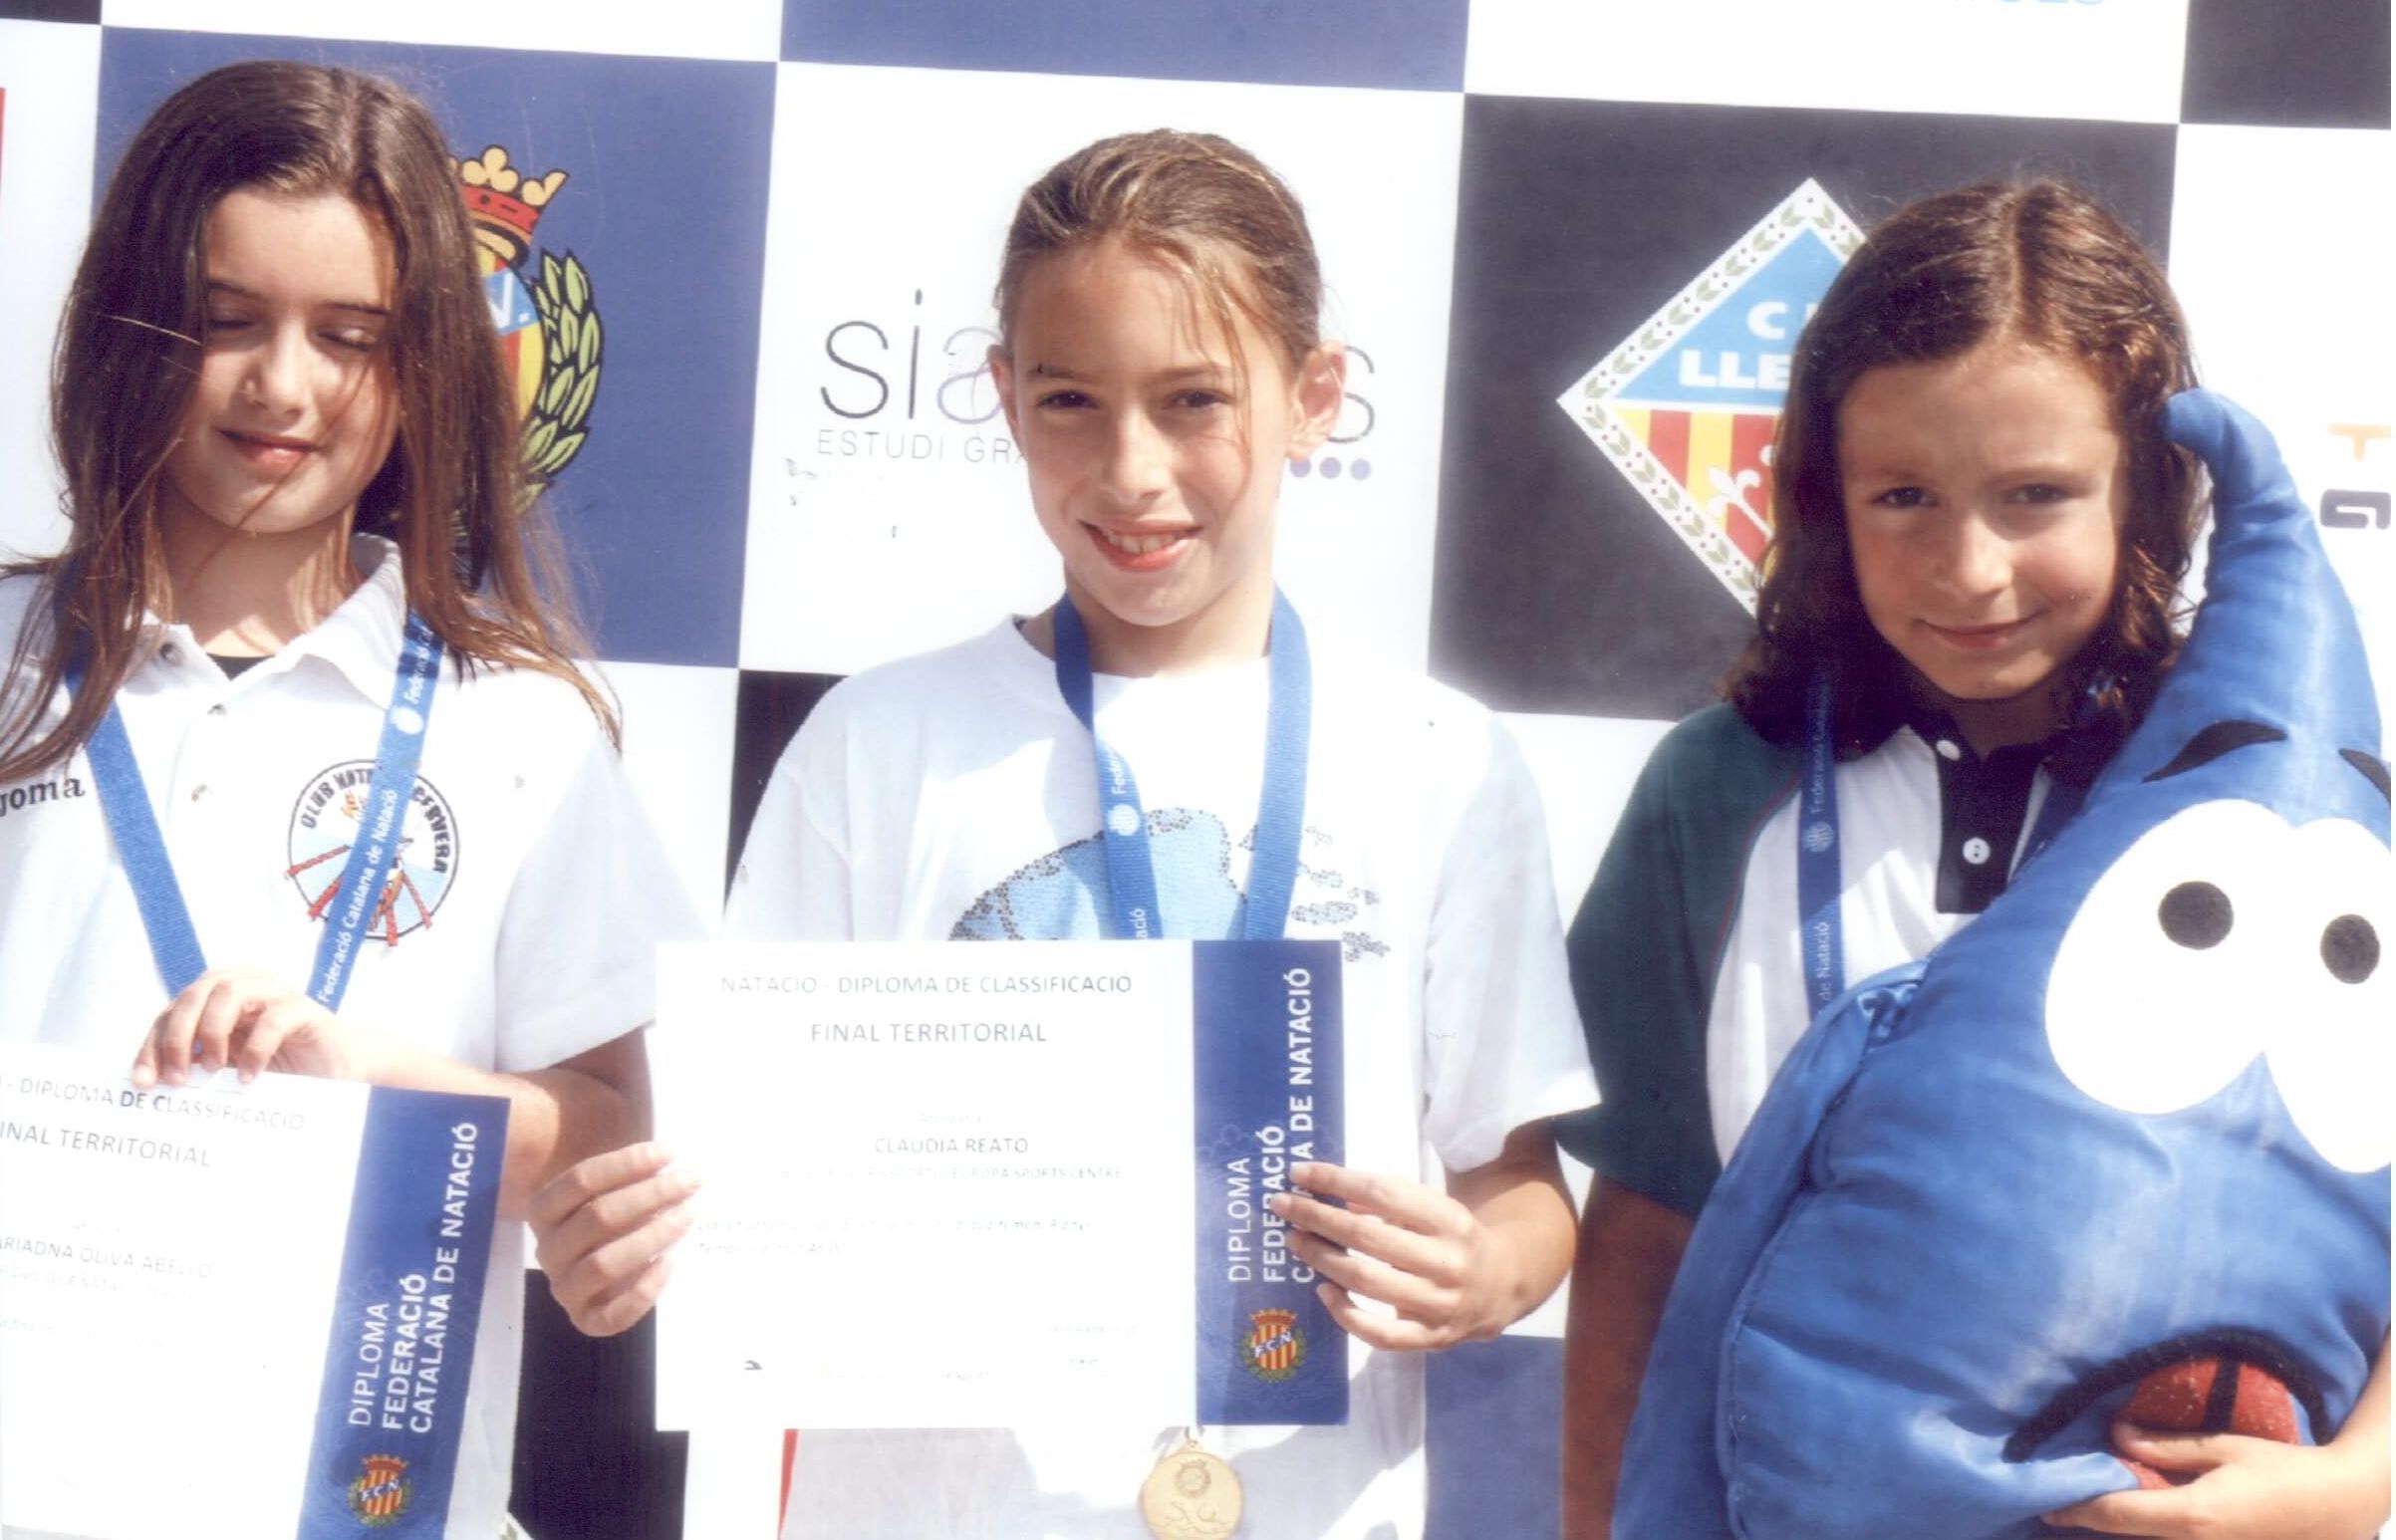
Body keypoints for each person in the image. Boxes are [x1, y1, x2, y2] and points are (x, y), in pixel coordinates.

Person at [533, 128, 1596, 1539]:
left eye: (1193, 400)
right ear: (1003, 402)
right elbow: (740, 1164)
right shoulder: (876, 741)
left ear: (1314, 395)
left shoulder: (1439, 761)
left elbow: (1519, 1187)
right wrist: (624, 1238)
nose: (1129, 468)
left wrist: (1482, 1272)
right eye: (1073, 401)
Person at [1556, 178, 2390, 1539]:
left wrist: (2359, 1476)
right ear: (1822, 500)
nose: (1969, 566)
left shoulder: (2286, 821)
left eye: (2033, 494)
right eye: (1903, 496)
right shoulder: (1716, 794)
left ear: (2147, 487)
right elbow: (1644, 1226)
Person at [0, 60, 688, 1537]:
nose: (283, 384)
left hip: (360, 1502)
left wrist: (361, 1077)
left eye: (350, 336)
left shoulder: (528, 726)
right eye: (225, 321)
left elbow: (608, 1136)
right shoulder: (12, 659)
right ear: (128, 330)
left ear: (426, 365)